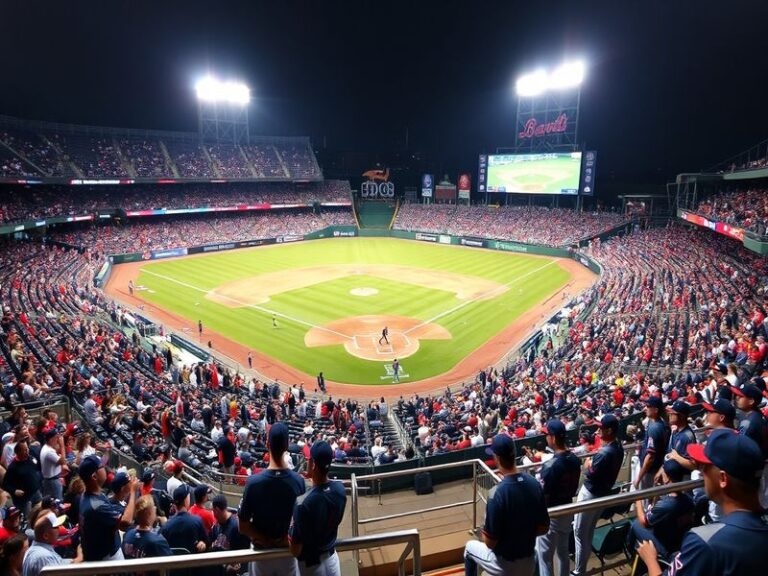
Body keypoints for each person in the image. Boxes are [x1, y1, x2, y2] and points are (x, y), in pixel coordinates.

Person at [637, 429, 768, 576]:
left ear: (723, 479)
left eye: (704, 467)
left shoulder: (704, 541)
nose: (700, 474)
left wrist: (650, 560)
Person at [464, 434, 549, 576]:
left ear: (497, 458)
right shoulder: (534, 483)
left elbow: (490, 543)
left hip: (504, 565)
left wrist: (483, 533)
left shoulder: (496, 493)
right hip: (529, 562)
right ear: (514, 454)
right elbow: (544, 528)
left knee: (469, 548)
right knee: (535, 552)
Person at [238, 422, 305, 576]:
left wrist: (266, 539)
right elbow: (301, 524)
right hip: (286, 553)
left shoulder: (253, 482)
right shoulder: (298, 481)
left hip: (261, 554)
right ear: (287, 445)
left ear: (267, 444)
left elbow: (242, 525)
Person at [572, 414, 624, 576]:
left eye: (600, 428)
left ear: (609, 430)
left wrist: (588, 463)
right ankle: (582, 567)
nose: (597, 431)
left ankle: (579, 571)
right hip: (602, 494)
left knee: (580, 533)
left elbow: (588, 471)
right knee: (588, 532)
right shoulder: (618, 446)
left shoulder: (604, 453)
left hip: (590, 495)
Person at [289, 441, 346, 576]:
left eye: (309, 460)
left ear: (313, 464)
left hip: (310, 566)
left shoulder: (302, 503)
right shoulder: (340, 490)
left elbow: (295, 550)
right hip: (332, 560)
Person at [536, 419, 581, 576]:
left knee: (544, 557)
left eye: (547, 435)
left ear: (553, 438)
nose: (545, 437)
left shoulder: (550, 466)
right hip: (568, 509)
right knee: (563, 552)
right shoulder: (575, 460)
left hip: (552, 515)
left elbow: (542, 497)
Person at [628, 460, 695, 559]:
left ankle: (631, 554)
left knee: (636, 524)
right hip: (679, 541)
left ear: (667, 478)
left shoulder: (666, 504)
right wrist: (657, 492)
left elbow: (644, 522)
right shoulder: (688, 498)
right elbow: (656, 510)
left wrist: (637, 497)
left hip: (666, 548)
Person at [79, 454, 138, 561]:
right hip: (107, 558)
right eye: (102, 467)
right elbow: (125, 522)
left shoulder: (90, 495)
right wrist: (133, 491)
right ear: (94, 476)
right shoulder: (96, 505)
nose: (106, 468)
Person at [160, 484, 208, 553]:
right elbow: (207, 543)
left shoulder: (166, 526)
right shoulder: (197, 521)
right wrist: (203, 543)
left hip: (173, 563)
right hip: (193, 562)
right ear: (186, 501)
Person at [122, 495, 172, 559]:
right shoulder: (157, 541)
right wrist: (165, 525)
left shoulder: (128, 535)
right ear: (150, 513)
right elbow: (170, 563)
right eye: (154, 506)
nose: (155, 508)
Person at [211, 494, 250, 574]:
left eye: (213, 510)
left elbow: (245, 553)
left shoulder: (236, 526)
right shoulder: (216, 527)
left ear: (217, 510)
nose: (212, 513)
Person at [635, 396, 668, 490]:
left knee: (647, 499)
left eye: (648, 406)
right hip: (655, 468)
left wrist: (638, 478)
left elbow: (650, 457)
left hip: (650, 472)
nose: (645, 408)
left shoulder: (655, 428)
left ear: (656, 410)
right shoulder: (657, 423)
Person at [3, 441, 42, 518]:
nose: (27, 451)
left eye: (27, 448)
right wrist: (14, 491)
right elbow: (5, 484)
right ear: (18, 452)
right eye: (24, 450)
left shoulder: (31, 459)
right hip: (25, 499)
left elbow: (37, 469)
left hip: (36, 493)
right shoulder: (13, 467)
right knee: (27, 519)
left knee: (40, 513)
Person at [661, 400, 697, 481]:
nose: (669, 415)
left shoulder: (687, 436)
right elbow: (669, 455)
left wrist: (676, 457)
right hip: (671, 478)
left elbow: (693, 465)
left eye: (672, 413)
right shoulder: (674, 431)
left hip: (683, 480)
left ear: (681, 416)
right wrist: (663, 470)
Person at [40, 428, 66, 501]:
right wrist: (62, 445)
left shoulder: (47, 447)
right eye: (56, 437)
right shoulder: (49, 452)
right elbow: (63, 461)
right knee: (58, 502)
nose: (58, 439)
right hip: (52, 482)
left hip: (52, 479)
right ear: (51, 439)